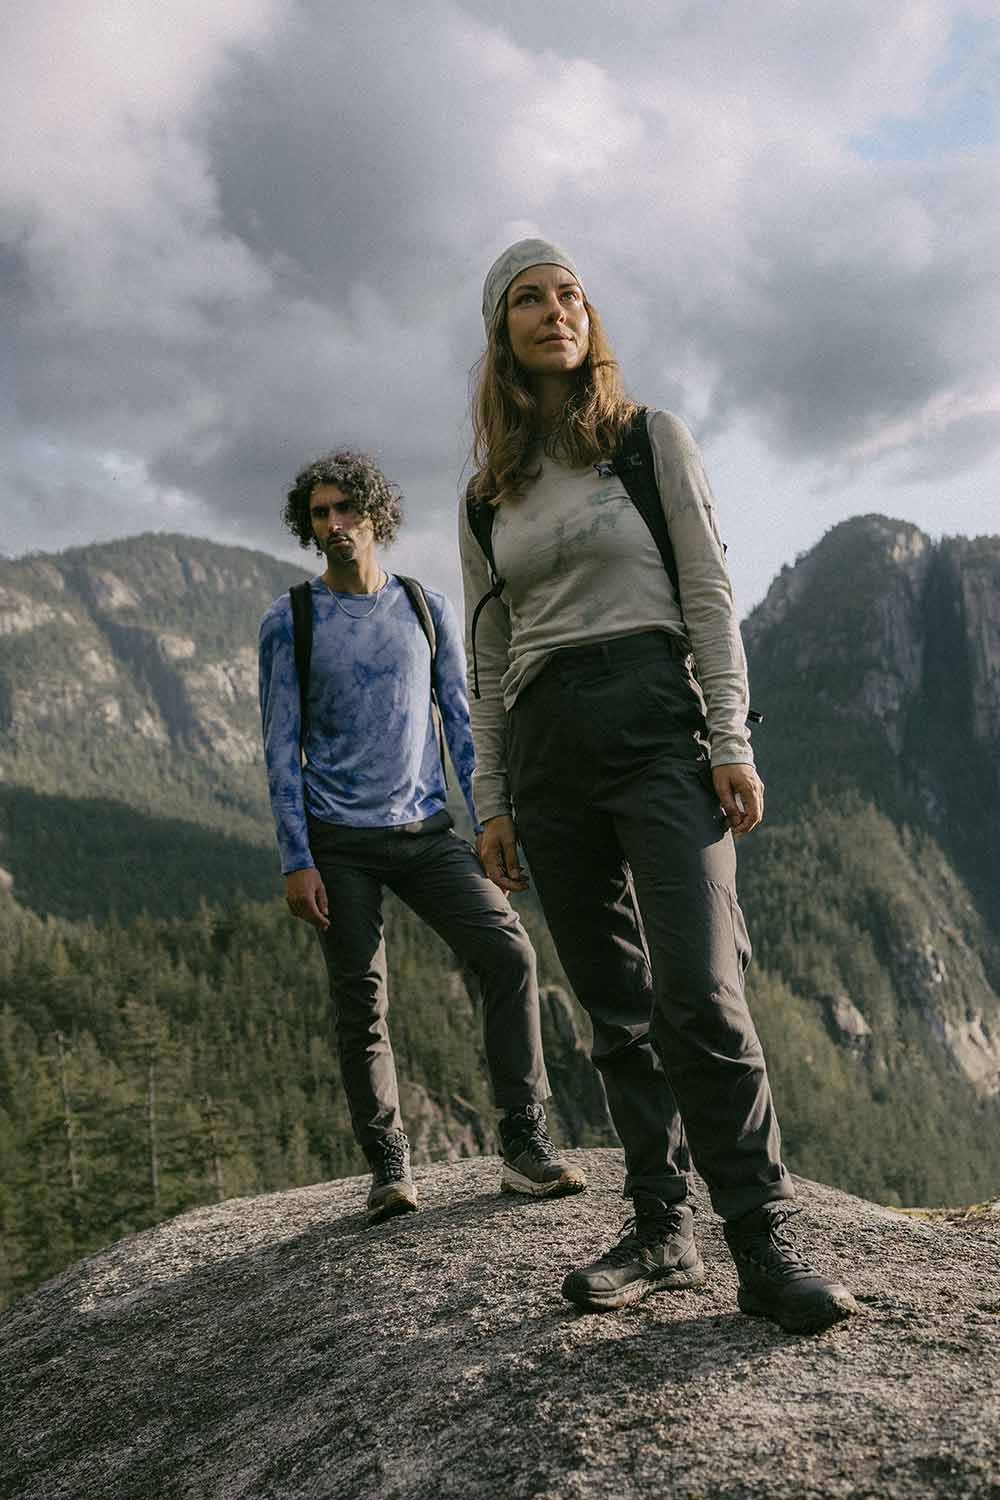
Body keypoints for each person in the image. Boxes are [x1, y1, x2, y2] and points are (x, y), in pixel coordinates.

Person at [459, 238, 858, 1333]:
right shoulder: (490, 494)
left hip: (652, 723)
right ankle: (659, 1228)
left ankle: (761, 1239)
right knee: (615, 1012)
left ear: (591, 320)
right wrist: (490, 800)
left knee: (699, 989)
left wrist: (728, 736)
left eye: (571, 295)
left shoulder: (647, 443)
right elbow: (487, 661)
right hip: (545, 753)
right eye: (530, 301)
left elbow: (708, 592)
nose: (555, 312)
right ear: (502, 334)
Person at [258, 447, 585, 1224]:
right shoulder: (291, 620)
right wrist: (296, 859)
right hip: (338, 842)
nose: (335, 526)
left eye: (346, 510)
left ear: (376, 515)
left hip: (427, 829)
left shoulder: (424, 608)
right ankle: (389, 1165)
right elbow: (277, 745)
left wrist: (490, 820)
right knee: (361, 1000)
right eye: (320, 515)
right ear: (310, 529)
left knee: (509, 953)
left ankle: (524, 1143)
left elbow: (462, 724)